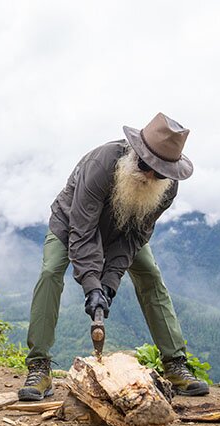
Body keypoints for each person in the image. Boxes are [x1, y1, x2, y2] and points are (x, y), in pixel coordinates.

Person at [18, 112, 209, 401]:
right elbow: (82, 230)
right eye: (146, 165)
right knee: (50, 272)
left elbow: (135, 237)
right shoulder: (102, 163)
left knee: (151, 277)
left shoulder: (166, 187)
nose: (149, 176)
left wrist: (109, 284)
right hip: (71, 223)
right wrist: (92, 285)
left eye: (159, 172)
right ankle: (38, 367)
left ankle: (175, 365)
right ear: (135, 151)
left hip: (123, 233)